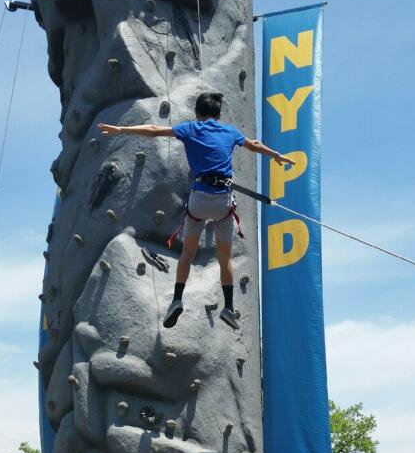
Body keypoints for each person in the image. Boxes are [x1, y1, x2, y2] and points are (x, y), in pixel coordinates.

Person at [98, 91, 292, 329]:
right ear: (219, 114)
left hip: (199, 200)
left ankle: (177, 300)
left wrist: (122, 131)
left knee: (187, 254)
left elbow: (154, 130)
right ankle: (229, 308)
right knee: (224, 258)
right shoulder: (229, 132)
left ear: (197, 113)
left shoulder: (190, 128)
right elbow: (254, 145)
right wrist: (276, 156)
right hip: (222, 202)